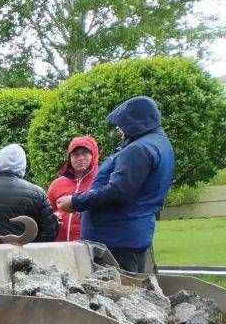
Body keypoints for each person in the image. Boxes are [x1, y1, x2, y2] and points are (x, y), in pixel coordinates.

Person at [56, 96, 174, 273]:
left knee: (116, 293)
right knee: (132, 290)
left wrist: (76, 202)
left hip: (115, 238)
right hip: (129, 233)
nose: (119, 129)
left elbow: (118, 191)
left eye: (122, 123)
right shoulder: (158, 144)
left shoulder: (138, 149)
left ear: (135, 121)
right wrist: (90, 206)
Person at [45, 136, 99, 242]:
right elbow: (47, 211)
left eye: (85, 153)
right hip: (60, 246)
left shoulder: (101, 181)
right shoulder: (57, 184)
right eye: (75, 154)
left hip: (91, 245)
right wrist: (52, 218)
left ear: (93, 155)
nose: (80, 158)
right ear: (69, 158)